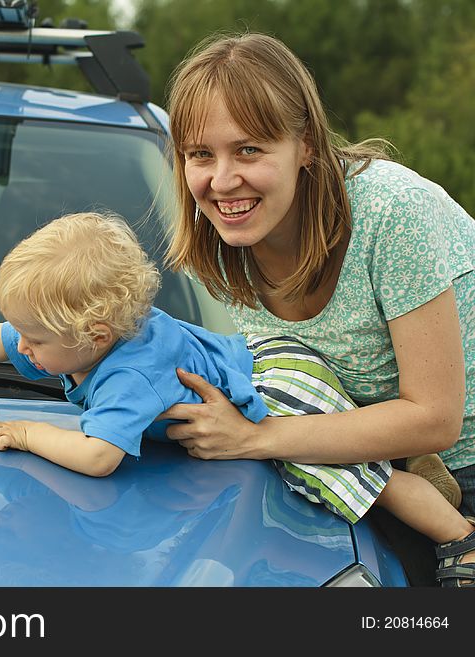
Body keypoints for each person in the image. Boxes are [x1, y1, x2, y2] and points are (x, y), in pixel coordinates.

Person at [0, 211, 475, 585]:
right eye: (11, 528)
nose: (22, 350)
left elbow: (98, 458)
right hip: (256, 360)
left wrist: (28, 432)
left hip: (276, 388)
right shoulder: (72, 336)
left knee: (342, 480)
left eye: (34, 341)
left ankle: (455, 534)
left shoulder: (128, 377)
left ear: (96, 339)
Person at [162, 32, 475, 586]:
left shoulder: (390, 212)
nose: (222, 179)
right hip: (373, 471)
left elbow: (436, 417)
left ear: (306, 144)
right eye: (200, 155)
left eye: (249, 149)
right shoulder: (228, 233)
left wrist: (255, 437)